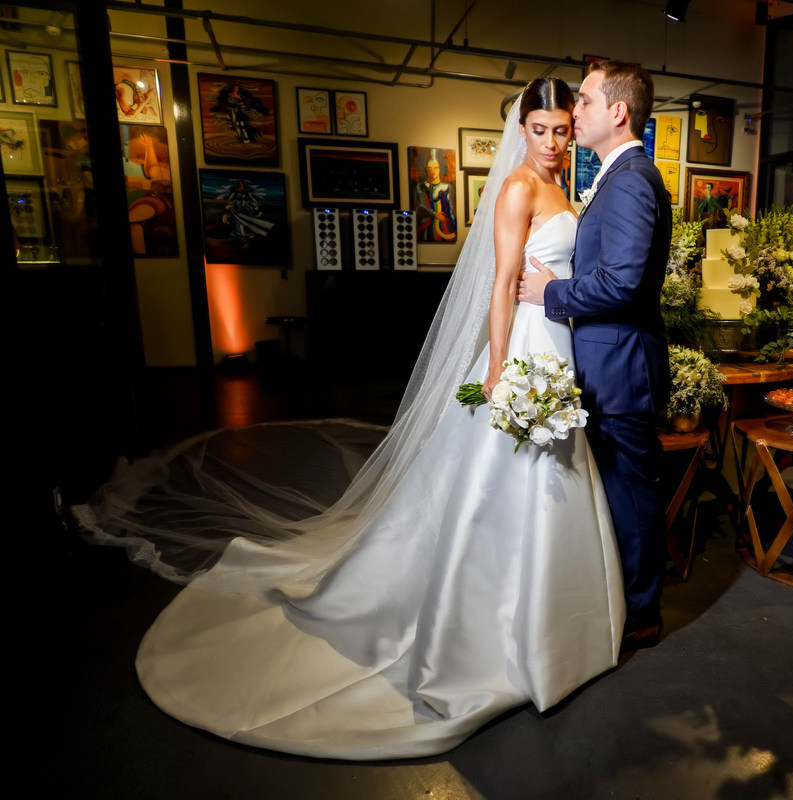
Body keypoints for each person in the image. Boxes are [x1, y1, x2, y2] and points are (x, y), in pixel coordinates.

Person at [84, 78, 625, 760]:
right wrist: (496, 369)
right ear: (522, 129)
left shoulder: (561, 185)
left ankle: (552, 621)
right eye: (540, 129)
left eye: (561, 130)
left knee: (549, 475)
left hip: (555, 343)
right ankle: (486, 626)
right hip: (522, 346)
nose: (551, 141)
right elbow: (500, 283)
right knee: (499, 481)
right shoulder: (519, 187)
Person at [519, 60, 672, 649]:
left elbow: (623, 283)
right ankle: (626, 602)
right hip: (612, 365)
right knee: (618, 492)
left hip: (621, 370)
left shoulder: (630, 180)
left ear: (618, 111)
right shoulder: (618, 176)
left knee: (632, 496)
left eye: (584, 100)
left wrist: (551, 293)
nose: (574, 110)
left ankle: (642, 616)